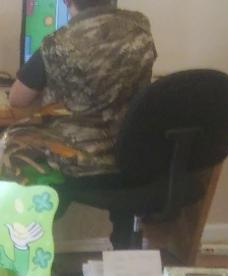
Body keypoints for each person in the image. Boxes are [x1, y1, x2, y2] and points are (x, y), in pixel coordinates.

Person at [8, 0, 157, 177]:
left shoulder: (56, 44)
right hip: (130, 161)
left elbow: (17, 99)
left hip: (75, 167)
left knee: (11, 153)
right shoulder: (140, 28)